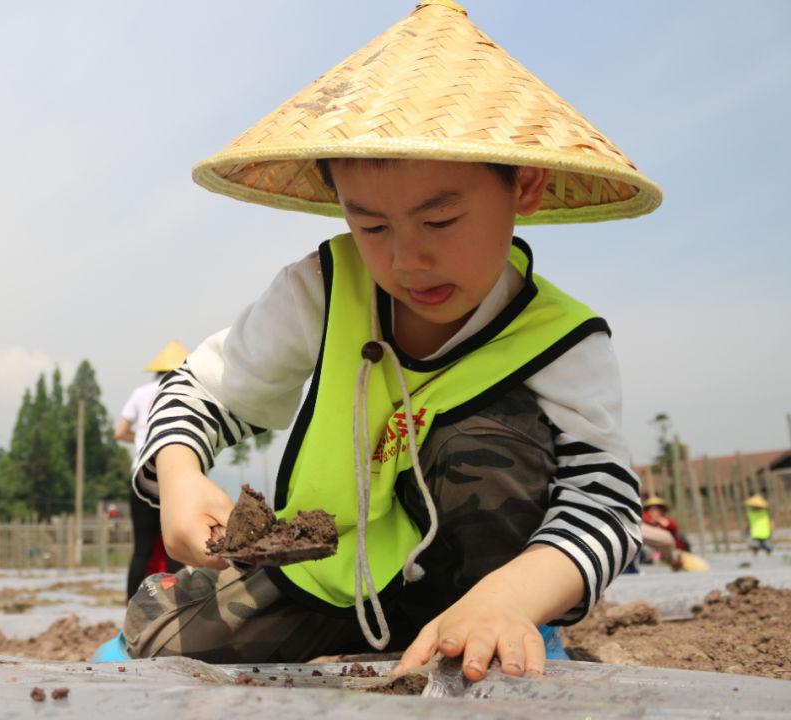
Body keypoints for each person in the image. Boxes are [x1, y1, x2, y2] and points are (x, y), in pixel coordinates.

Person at [125, 0, 656, 681]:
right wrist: (179, 470)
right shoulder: (325, 287)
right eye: (372, 227)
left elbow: (604, 501)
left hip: (480, 586)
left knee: (490, 443)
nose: (407, 261)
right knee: (159, 642)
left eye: (440, 221)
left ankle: (502, 633)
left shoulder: (561, 340)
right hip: (324, 571)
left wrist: (511, 600)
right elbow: (200, 390)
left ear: (524, 184)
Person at [117, 340, 189, 601]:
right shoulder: (187, 391)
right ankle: (173, 603)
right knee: (175, 548)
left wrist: (141, 440)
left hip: (141, 478)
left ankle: (131, 607)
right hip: (173, 478)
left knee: (142, 549)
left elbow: (120, 432)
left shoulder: (140, 393)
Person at [638, 496, 683, 571]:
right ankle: (654, 561)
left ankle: (674, 561)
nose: (653, 512)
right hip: (652, 548)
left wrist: (660, 521)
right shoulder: (645, 519)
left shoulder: (667, 520)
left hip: (668, 549)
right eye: (650, 509)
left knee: (673, 554)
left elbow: (673, 528)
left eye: (656, 509)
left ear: (661, 511)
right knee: (652, 553)